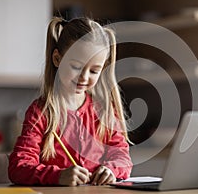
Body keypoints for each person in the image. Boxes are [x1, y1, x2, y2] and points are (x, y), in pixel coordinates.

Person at [8, 17, 133, 186]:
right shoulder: (41, 112)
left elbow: (122, 157)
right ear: (57, 59)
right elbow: (19, 167)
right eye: (76, 67)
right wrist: (58, 176)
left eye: (94, 71)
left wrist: (111, 170)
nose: (84, 77)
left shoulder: (104, 110)